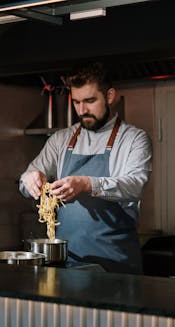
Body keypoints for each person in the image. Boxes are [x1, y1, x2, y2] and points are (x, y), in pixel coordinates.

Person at [19, 62, 152, 274]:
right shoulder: (61, 139)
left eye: (90, 101)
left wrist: (87, 184)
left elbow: (135, 185)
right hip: (68, 264)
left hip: (116, 266)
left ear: (109, 96)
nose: (82, 110)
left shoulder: (134, 139)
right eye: (77, 102)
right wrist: (30, 178)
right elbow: (26, 181)